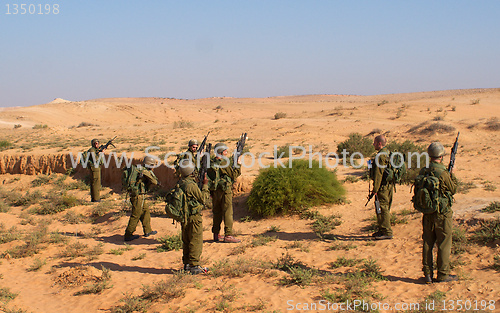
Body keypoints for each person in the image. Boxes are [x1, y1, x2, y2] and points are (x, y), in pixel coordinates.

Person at [421, 142, 458, 283]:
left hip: (428, 212)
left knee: (428, 242)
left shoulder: (424, 171)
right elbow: (453, 189)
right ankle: (443, 274)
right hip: (442, 213)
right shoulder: (443, 173)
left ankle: (428, 274)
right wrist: (452, 175)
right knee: (443, 242)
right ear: (441, 157)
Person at [177, 159, 210, 274]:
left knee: (186, 240)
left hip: (184, 216)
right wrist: (205, 186)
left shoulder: (181, 182)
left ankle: (186, 264)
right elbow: (203, 199)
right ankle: (194, 265)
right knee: (195, 240)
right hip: (194, 217)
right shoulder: (191, 185)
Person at [208, 143, 242, 243]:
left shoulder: (212, 162)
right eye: (225, 151)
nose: (227, 152)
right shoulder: (223, 163)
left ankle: (216, 234)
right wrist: (238, 164)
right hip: (225, 190)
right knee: (228, 212)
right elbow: (234, 175)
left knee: (217, 212)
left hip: (214, 191)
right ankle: (228, 235)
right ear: (221, 151)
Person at [124, 156, 159, 242]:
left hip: (139, 195)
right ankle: (128, 234)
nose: (153, 167)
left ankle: (148, 230)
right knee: (136, 214)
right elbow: (154, 182)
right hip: (138, 196)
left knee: (145, 211)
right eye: (152, 165)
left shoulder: (140, 169)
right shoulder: (144, 170)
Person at [369, 135, 394, 240]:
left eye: (375, 142)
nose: (373, 144)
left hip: (382, 186)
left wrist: (375, 189)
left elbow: (379, 174)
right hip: (388, 185)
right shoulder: (388, 152)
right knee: (383, 207)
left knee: (382, 208)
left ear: (379, 143)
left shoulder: (381, 156)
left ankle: (387, 231)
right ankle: (382, 229)